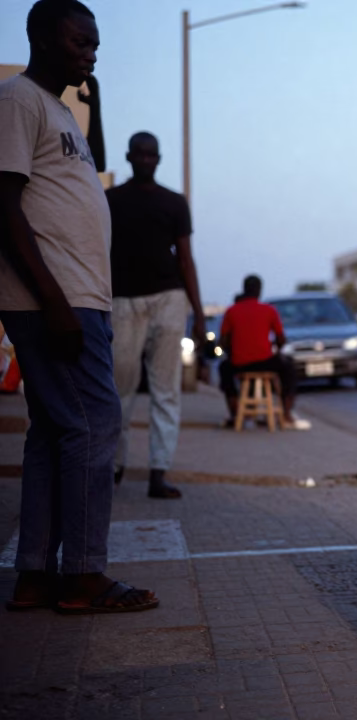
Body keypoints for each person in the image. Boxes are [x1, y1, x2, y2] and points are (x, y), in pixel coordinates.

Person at [0, 0, 158, 613]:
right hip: (56, 300)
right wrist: (55, 303)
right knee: (97, 427)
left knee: (53, 433)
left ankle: (35, 573)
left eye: (95, 44)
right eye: (79, 42)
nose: (90, 52)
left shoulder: (60, 110)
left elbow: (86, 175)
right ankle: (85, 575)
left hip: (75, 297)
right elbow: (6, 207)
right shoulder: (17, 100)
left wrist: (94, 96)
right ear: (40, 37)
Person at [107, 132, 202, 499]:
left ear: (159, 159)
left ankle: (158, 471)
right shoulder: (110, 200)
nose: (146, 160)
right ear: (129, 157)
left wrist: (199, 313)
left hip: (168, 298)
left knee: (166, 390)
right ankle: (113, 467)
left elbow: (186, 257)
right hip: (123, 301)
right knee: (120, 389)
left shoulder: (174, 203)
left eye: (151, 155)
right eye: (140, 154)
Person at [217, 275, 308, 429]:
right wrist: (275, 350)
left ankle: (235, 414)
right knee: (289, 367)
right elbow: (281, 340)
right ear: (259, 291)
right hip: (265, 362)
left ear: (244, 289)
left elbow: (223, 342)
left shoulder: (231, 311)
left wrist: (235, 352)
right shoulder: (269, 310)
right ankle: (286, 414)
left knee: (224, 368)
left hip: (239, 364)